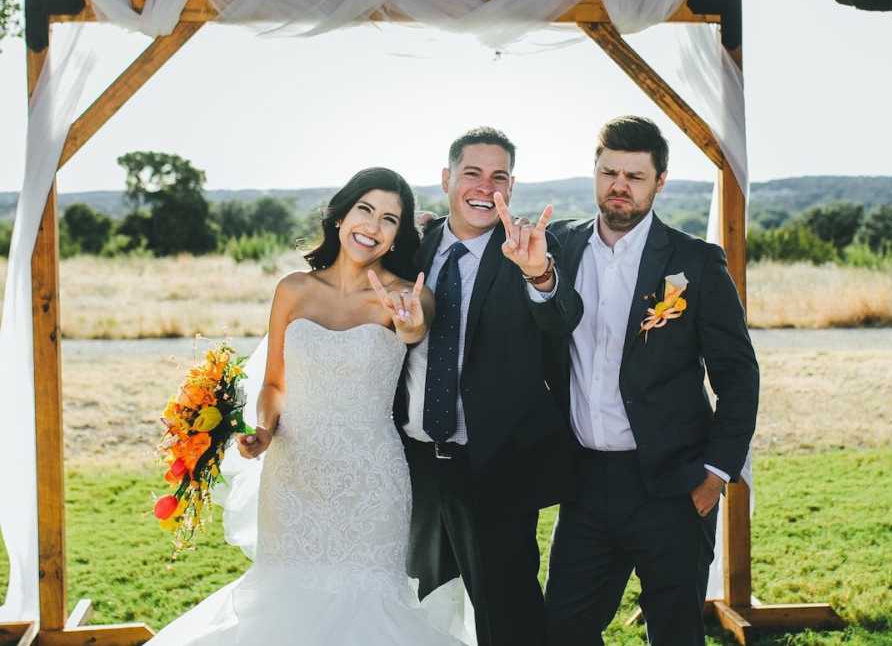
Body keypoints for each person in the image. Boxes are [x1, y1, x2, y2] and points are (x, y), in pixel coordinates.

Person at [147, 167, 469, 646]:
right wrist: (263, 431)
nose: (373, 226)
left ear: (399, 234)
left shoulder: (410, 296)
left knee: (368, 607)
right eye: (365, 209)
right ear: (341, 215)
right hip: (292, 476)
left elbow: (415, 330)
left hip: (370, 479)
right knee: (284, 604)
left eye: (389, 219)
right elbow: (275, 382)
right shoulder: (293, 290)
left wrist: (409, 325)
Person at [543, 116, 760, 646]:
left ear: (659, 182)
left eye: (635, 176)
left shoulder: (695, 262)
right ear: (594, 173)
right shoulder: (557, 249)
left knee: (674, 632)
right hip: (586, 482)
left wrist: (714, 475)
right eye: (609, 171)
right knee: (562, 628)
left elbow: (737, 374)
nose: (619, 185)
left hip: (673, 482)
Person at [395, 127, 584, 646]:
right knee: (420, 610)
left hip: (496, 468)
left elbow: (563, 316)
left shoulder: (531, 252)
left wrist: (540, 275)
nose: (484, 186)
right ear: (445, 179)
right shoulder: (413, 247)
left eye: (498, 176)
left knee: (510, 617)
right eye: (471, 173)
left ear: (512, 186)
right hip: (413, 466)